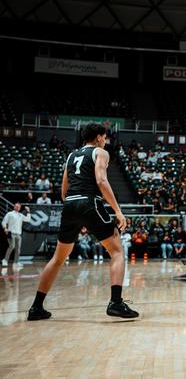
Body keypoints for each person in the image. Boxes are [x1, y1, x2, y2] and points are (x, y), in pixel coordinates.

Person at [27, 123, 138, 320]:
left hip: (70, 204)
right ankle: (116, 303)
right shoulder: (100, 153)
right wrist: (117, 211)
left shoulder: (71, 156)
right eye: (105, 137)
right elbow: (101, 181)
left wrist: (77, 211)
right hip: (89, 202)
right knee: (117, 252)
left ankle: (36, 307)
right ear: (98, 137)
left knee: (58, 258)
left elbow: (63, 191)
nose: (105, 141)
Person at [2, 203, 31, 267]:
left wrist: (28, 211)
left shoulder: (20, 215)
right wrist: (5, 228)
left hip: (18, 234)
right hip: (11, 232)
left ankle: (16, 262)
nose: (17, 207)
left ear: (20, 208)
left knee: (18, 249)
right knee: (12, 246)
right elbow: (4, 221)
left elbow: (28, 219)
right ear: (14, 207)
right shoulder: (10, 214)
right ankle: (5, 260)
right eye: (16, 206)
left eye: (18, 207)